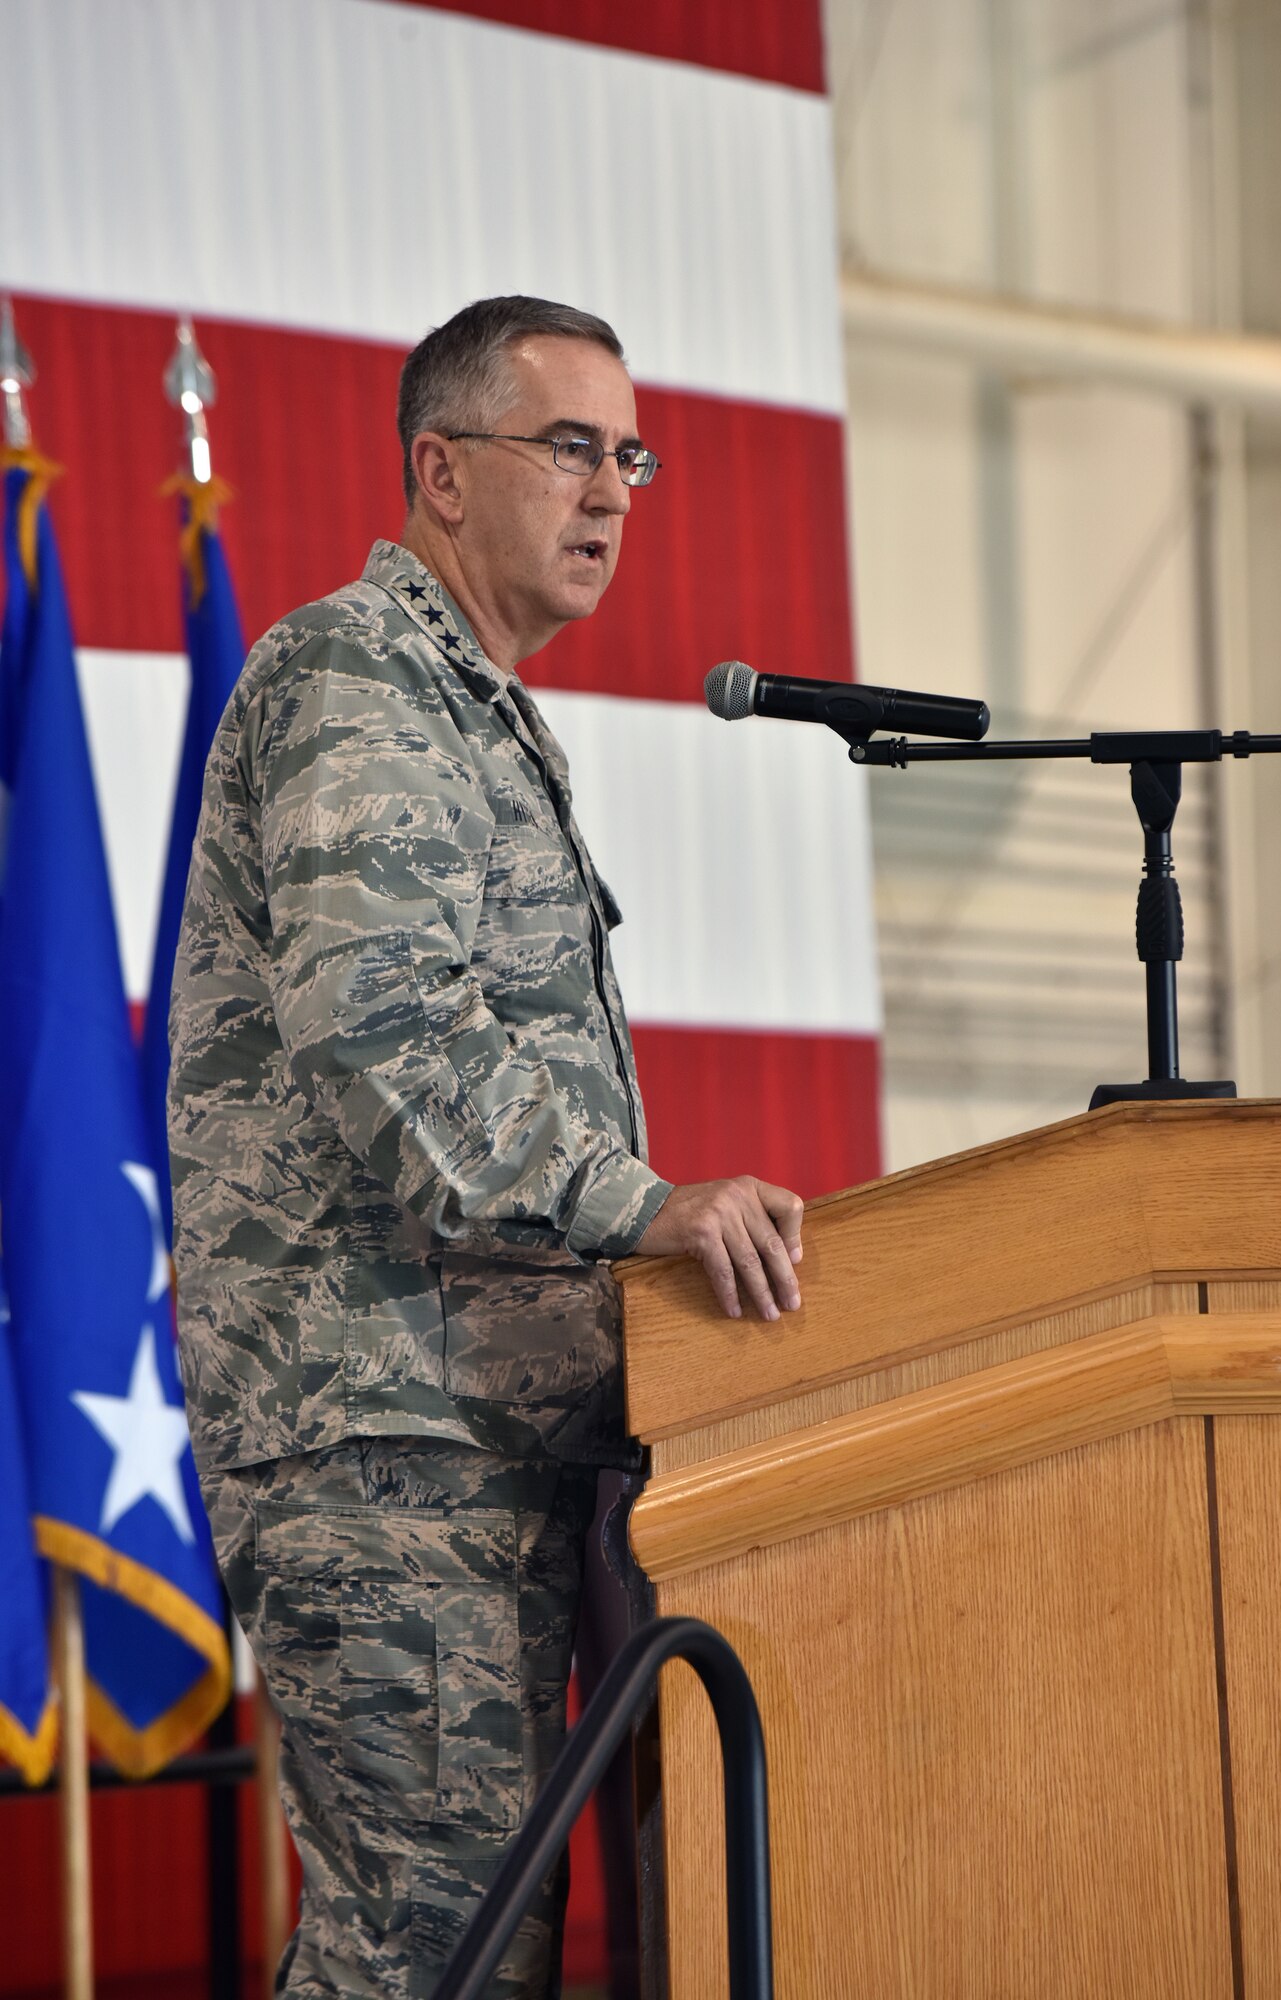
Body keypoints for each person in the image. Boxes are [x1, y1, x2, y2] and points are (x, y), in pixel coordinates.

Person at [168, 295, 805, 1999]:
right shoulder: (358, 675)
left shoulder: (478, 711)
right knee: (429, 1955)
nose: (612, 492)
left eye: (632, 456)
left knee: (479, 1950)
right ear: (441, 475)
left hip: (479, 1432)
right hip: (383, 1431)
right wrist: (648, 1205)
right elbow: (387, 1037)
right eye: (570, 448)